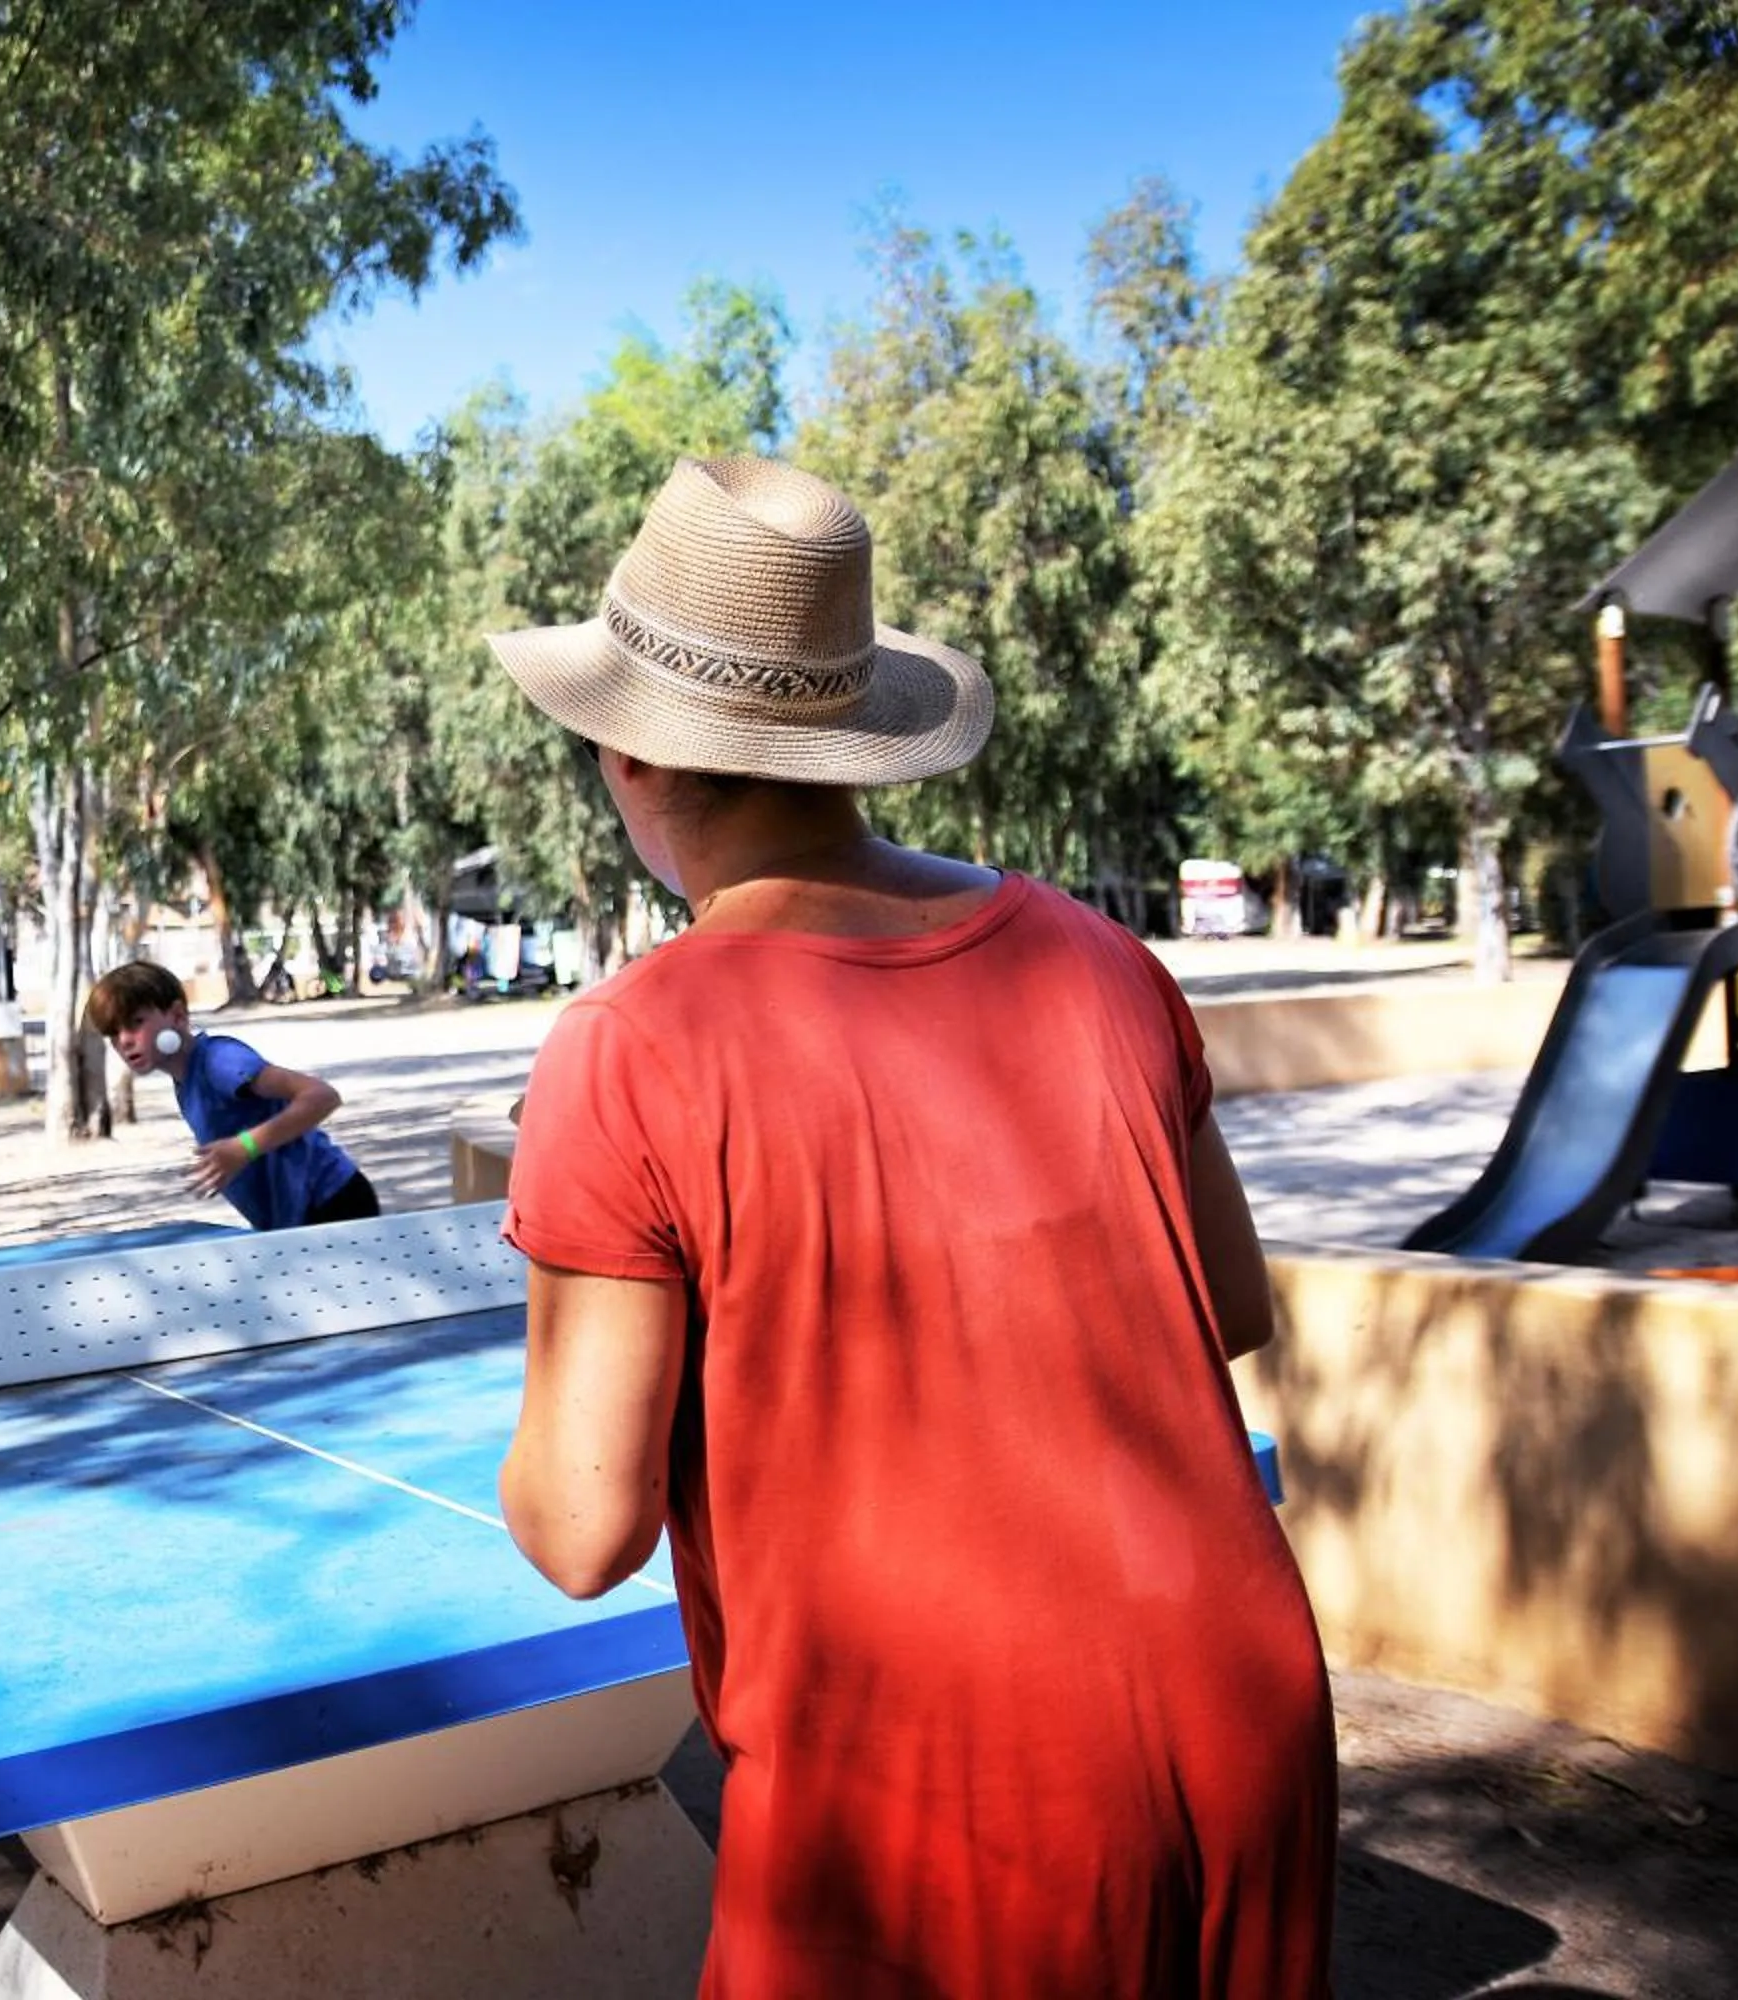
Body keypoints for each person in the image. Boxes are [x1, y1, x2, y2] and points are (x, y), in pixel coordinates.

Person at [483, 456, 1335, 1996]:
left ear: (628, 760)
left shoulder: (629, 1045)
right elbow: (1228, 1305)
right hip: (1244, 1718)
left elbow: (578, 1528)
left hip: (928, 1807)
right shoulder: (1096, 957)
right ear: (857, 744)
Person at [86, 961, 380, 1229]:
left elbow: (321, 1096)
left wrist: (244, 1148)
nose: (123, 1040)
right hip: (293, 1220)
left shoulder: (220, 1061)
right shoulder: (185, 1081)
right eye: (113, 1032)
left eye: (136, 1022)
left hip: (333, 1202)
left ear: (177, 1016)